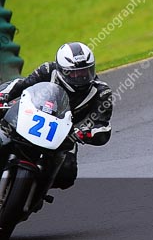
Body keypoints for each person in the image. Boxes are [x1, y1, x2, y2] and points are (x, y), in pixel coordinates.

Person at [0, 42, 112, 190]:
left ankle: (36, 192)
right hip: (31, 118)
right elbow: (23, 85)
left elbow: (102, 125)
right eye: (74, 73)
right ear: (61, 70)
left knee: (67, 174)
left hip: (65, 137)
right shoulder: (48, 70)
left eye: (85, 72)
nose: (80, 77)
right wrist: (3, 96)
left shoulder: (101, 93)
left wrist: (86, 133)